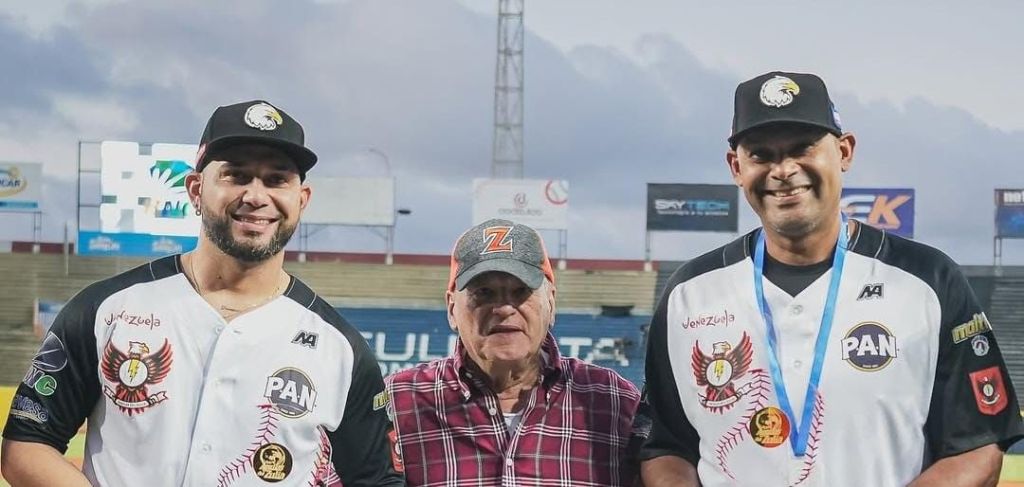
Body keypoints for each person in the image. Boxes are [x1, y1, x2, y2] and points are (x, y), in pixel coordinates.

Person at [639, 71, 1024, 486]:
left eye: (802, 148)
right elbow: (665, 446)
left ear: (844, 151)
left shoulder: (927, 280)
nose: (783, 169)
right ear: (737, 167)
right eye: (761, 155)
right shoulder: (689, 295)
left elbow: (977, 446)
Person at [2, 100, 404, 486]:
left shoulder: (341, 348)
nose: (256, 195)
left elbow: (378, 480)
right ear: (195, 189)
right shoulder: (106, 308)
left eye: (277, 179)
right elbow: (26, 444)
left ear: (302, 200)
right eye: (236, 175)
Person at [385, 218, 642, 486]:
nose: (504, 308)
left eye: (521, 292)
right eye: (484, 293)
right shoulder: (397, 403)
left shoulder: (615, 402)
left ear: (551, 302)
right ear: (451, 309)